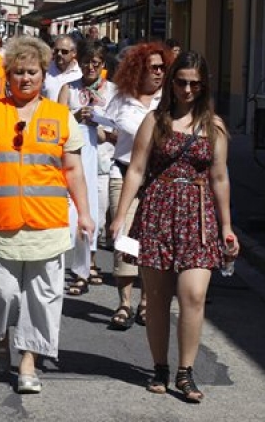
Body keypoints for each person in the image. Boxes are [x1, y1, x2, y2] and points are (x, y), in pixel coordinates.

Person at [0, 36, 94, 394]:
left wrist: (84, 213)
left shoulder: (60, 116)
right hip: (1, 221)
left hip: (47, 222)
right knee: (3, 292)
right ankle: (0, 333)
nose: (25, 78)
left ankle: (28, 361)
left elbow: (74, 170)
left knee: (42, 297)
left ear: (42, 72)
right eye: (18, 72)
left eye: (32, 71)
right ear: (8, 75)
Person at [109, 51, 239, 403]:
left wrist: (227, 226)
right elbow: (135, 169)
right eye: (181, 82)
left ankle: (185, 371)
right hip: (156, 212)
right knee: (157, 298)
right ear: (171, 83)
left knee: (194, 294)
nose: (187, 89)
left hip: (197, 216)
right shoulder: (155, 120)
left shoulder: (214, 126)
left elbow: (220, 176)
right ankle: (159, 367)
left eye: (195, 83)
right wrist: (121, 216)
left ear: (204, 85)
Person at [103, 42, 170, 330]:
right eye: (153, 67)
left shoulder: (168, 101)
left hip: (156, 179)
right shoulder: (121, 99)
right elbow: (107, 129)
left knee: (152, 242)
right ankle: (125, 302)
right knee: (125, 239)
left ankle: (146, 303)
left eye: (162, 67)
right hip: (124, 173)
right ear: (138, 70)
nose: (159, 72)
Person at [57, 41, 117, 295]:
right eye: (86, 62)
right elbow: (56, 125)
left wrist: (103, 131)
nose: (90, 67)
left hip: (103, 163)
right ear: (78, 62)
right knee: (75, 216)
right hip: (74, 164)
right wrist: (75, 117)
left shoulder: (114, 91)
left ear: (103, 65)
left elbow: (121, 129)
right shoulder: (68, 89)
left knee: (98, 216)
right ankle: (80, 270)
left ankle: (90, 262)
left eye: (96, 63)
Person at [43, 34, 82, 101]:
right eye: (56, 51)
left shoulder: (80, 74)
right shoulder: (44, 70)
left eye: (64, 51)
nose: (59, 54)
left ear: (74, 53)